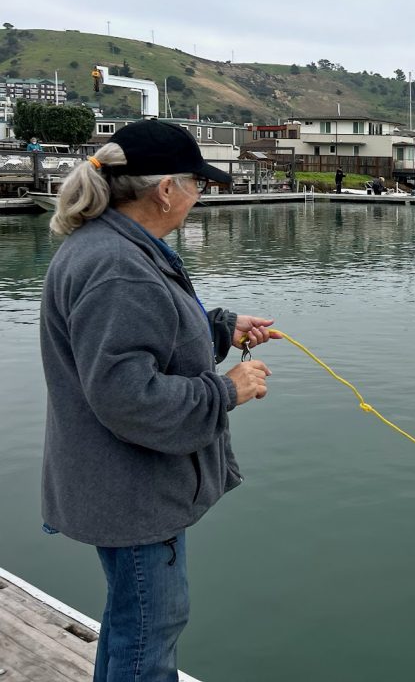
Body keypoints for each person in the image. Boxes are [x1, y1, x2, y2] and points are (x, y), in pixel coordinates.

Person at [40, 119, 279, 682]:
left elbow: (143, 340)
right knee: (150, 630)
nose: (199, 198)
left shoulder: (111, 248)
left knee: (132, 624)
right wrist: (229, 389)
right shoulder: (120, 268)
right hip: (132, 494)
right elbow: (129, 398)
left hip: (117, 484)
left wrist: (220, 328)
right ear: (165, 189)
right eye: (197, 184)